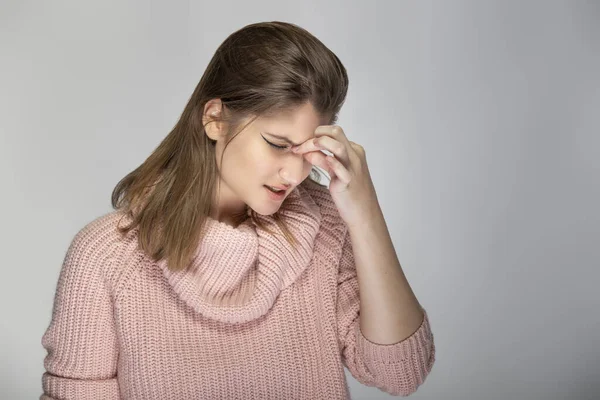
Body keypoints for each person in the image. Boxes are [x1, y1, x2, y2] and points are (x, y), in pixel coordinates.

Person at [40, 21, 435, 399]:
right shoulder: (108, 255)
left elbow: (399, 373)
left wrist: (365, 212)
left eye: (307, 152)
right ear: (214, 119)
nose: (295, 172)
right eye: (278, 144)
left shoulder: (325, 226)